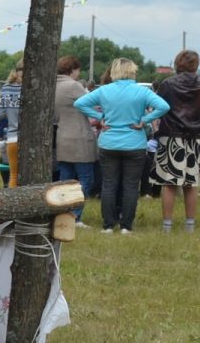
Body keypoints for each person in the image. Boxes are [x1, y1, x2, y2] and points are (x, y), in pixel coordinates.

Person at [73, 57, 169, 234]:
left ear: (113, 72)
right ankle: (126, 226)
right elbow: (163, 106)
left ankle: (108, 225)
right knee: (131, 186)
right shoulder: (141, 91)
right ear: (132, 71)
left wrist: (100, 117)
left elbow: (80, 103)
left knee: (109, 184)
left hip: (109, 142)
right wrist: (145, 120)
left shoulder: (104, 90)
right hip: (135, 143)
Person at [151, 50, 200, 232]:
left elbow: (158, 107)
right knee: (191, 184)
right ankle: (190, 225)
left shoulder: (167, 84)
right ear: (196, 64)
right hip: (194, 138)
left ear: (177, 63)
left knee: (169, 184)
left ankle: (167, 225)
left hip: (170, 136)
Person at [53, 55, 99, 221]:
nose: (79, 74)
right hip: (79, 138)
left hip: (62, 136)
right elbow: (92, 105)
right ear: (72, 69)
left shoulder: (53, 86)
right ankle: (74, 216)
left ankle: (61, 214)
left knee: (65, 180)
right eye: (78, 70)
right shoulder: (73, 86)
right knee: (85, 179)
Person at [0, 66, 24, 187]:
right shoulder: (33, 89)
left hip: (12, 137)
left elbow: (0, 114)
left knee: (13, 176)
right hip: (30, 139)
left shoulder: (6, 88)